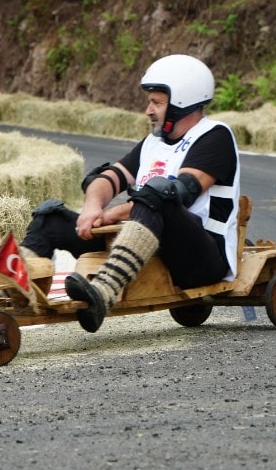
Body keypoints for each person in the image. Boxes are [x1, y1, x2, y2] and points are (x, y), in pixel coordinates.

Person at [20, 54, 241, 333]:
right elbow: (108, 177)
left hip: (200, 258)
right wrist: (92, 208)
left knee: (160, 193)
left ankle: (102, 293)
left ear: (182, 102)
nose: (148, 110)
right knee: (50, 218)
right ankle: (12, 292)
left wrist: (114, 213)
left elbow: (181, 192)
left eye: (157, 102)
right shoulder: (153, 143)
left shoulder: (215, 136)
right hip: (141, 246)